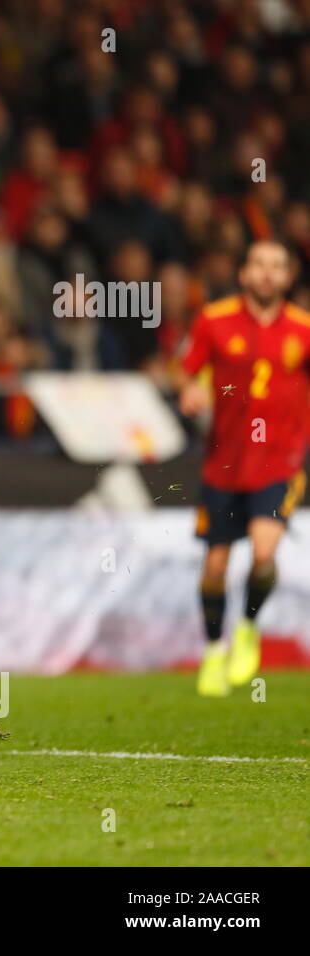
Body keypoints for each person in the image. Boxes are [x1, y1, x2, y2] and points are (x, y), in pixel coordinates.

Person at [176, 240, 310, 696]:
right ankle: (214, 649)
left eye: (277, 265)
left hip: (280, 460)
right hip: (224, 464)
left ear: (288, 277)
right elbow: (187, 368)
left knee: (264, 552)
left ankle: (248, 626)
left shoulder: (303, 329)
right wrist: (191, 389)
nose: (268, 273)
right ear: (243, 273)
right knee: (215, 564)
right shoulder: (214, 320)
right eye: (259, 264)